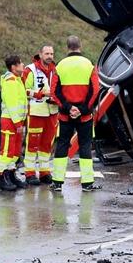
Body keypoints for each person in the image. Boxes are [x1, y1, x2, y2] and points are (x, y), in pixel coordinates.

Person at [51, 35, 101, 192]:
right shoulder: (88, 65)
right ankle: (87, 183)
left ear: (67, 47)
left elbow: (54, 92)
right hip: (84, 116)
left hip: (65, 116)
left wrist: (68, 108)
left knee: (62, 145)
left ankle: (57, 182)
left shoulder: (59, 66)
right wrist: (82, 109)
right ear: (80, 46)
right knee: (85, 145)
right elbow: (95, 90)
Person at [21, 45, 58, 185]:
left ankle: (44, 172)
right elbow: (24, 90)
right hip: (36, 111)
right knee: (32, 143)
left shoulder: (56, 70)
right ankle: (29, 173)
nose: (50, 56)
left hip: (52, 111)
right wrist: (40, 94)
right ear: (40, 55)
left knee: (47, 144)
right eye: (47, 53)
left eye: (52, 54)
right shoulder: (30, 70)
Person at [0, 54, 28, 192]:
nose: (23, 65)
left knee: (15, 151)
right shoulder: (10, 81)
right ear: (14, 67)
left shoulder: (17, 79)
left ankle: (11, 175)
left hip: (16, 121)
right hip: (10, 121)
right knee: (7, 151)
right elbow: (11, 104)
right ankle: (3, 178)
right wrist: (18, 124)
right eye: (20, 63)